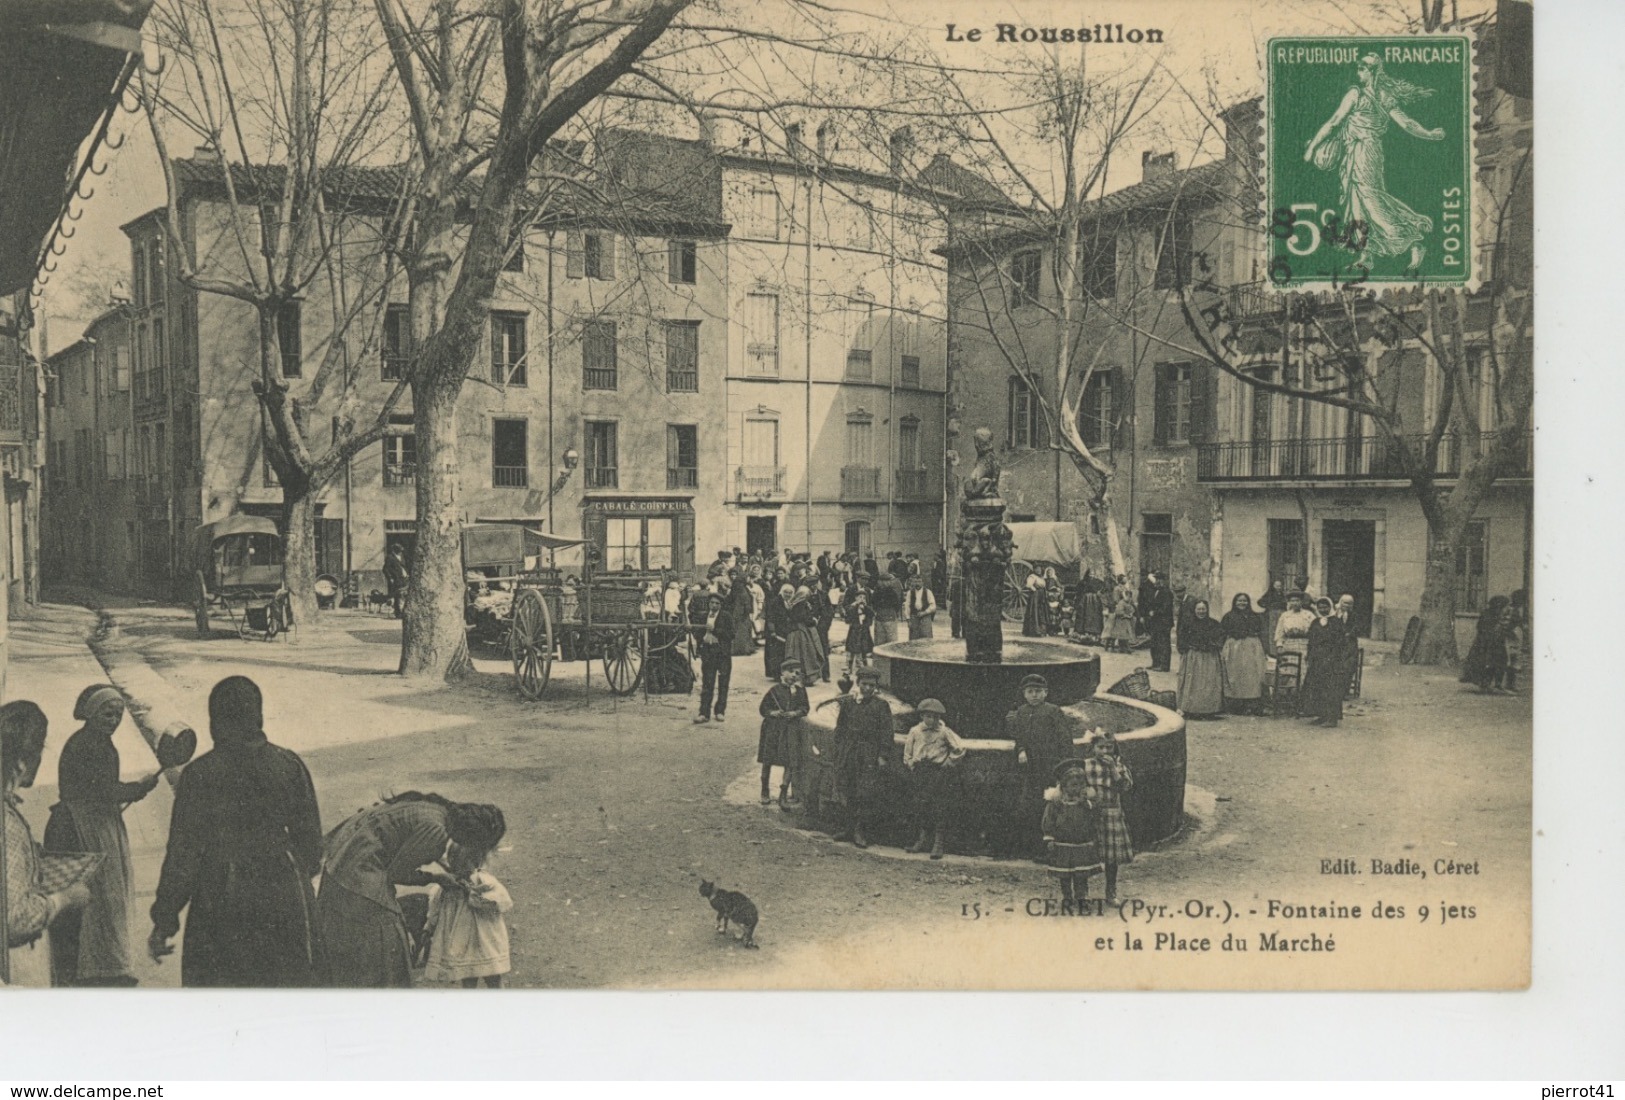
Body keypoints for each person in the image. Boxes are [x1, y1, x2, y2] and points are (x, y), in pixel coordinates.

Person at [147, 677, 321, 987]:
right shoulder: (289, 764)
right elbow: (311, 846)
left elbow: (182, 857)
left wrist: (164, 920)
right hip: (283, 892)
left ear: (215, 722)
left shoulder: (199, 775)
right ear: (259, 717)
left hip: (220, 895)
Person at [317, 792, 505, 987]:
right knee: (389, 948)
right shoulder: (436, 831)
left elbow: (404, 841)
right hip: (356, 878)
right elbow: (396, 873)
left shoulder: (435, 808)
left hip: (338, 862)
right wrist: (435, 878)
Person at [44, 684, 160, 986]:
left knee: (99, 896)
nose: (114, 719)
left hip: (88, 821)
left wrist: (132, 789)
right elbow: (104, 790)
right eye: (108, 713)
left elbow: (102, 787)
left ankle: (98, 963)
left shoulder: (93, 741)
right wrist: (139, 788)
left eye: (118, 714)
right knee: (99, 895)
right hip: (83, 826)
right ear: (93, 714)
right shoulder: (89, 744)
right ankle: (99, 966)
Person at [1304, 52, 1445, 272]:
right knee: (1357, 202)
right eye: (1358, 67)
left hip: (1365, 151)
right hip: (1356, 152)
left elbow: (1334, 122)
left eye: (1362, 68)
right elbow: (1336, 123)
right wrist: (1430, 134)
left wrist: (1313, 147)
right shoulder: (1376, 95)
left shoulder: (1362, 94)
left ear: (1372, 72)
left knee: (1372, 200)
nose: (1358, 71)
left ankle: (1414, 240)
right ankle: (1367, 254)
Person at [3, 701, 91, 987]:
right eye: (40, 749)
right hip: (15, 969)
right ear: (20, 764)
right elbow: (16, 920)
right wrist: (65, 899)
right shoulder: (8, 826)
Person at [1002, 674, 1078, 859]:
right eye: (1030, 692)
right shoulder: (1021, 712)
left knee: (1050, 806)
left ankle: (1051, 849)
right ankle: (1031, 847)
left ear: (1045, 693)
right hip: (1030, 768)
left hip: (1050, 766)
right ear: (1024, 694)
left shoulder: (1052, 711)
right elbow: (1019, 735)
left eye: (1038, 691)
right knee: (1029, 805)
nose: (1034, 695)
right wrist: (1020, 749)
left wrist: (1063, 766)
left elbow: (1064, 739)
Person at [815, 666, 893, 848]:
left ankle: (860, 830)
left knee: (863, 791)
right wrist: (839, 748)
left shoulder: (881, 706)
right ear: (857, 684)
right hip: (849, 751)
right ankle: (848, 828)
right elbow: (840, 728)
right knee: (846, 788)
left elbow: (887, 732)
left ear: (875, 687)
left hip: (868, 754)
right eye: (864, 684)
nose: (867, 688)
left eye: (871, 685)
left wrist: (883, 755)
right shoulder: (849, 703)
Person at [422, 840, 512, 988]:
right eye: (455, 862)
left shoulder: (484, 881)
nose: (460, 867)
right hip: (462, 941)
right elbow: (436, 906)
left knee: (493, 977)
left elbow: (500, 902)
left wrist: (472, 893)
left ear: (476, 861)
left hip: (485, 939)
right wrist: (429, 927)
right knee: (468, 977)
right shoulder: (448, 885)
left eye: (465, 863)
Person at [902, 698, 965, 860]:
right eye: (929, 716)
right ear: (922, 716)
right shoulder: (915, 731)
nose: (933, 720)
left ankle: (938, 843)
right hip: (921, 771)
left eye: (936, 717)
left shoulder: (944, 732)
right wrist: (910, 763)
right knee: (921, 805)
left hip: (938, 772)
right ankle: (922, 839)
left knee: (939, 806)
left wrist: (949, 762)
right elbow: (908, 751)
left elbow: (959, 747)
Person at [1041, 759, 1102, 909]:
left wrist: (1094, 837)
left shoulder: (1087, 802)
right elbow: (1049, 820)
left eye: (1081, 784)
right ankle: (1067, 896)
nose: (1077, 788)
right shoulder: (1056, 803)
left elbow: (1094, 818)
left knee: (1081, 874)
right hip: (1063, 843)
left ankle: (1081, 897)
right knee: (1065, 874)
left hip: (1081, 843)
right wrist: (1049, 838)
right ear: (1063, 785)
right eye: (1073, 785)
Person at [1081, 732, 1134, 904]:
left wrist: (1113, 770)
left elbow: (1125, 787)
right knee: (1086, 853)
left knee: (1112, 857)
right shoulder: (1086, 765)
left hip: (1111, 812)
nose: (1104, 751)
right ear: (1092, 748)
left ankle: (1111, 891)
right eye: (1100, 747)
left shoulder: (1118, 766)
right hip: (1090, 814)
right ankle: (1083, 892)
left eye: (1108, 747)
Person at [758, 660, 810, 811]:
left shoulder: (800, 691)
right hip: (773, 730)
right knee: (768, 759)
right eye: (791, 671)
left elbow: (805, 707)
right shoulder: (774, 691)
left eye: (797, 672)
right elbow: (763, 709)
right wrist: (773, 713)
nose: (795, 675)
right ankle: (764, 789)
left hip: (789, 730)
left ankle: (783, 793)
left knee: (789, 760)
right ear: (782, 673)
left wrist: (795, 713)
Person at [1299, 597, 1353, 727]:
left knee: (1331, 688)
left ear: (1330, 607)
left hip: (1332, 660)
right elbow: (1311, 640)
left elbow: (1341, 642)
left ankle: (1332, 718)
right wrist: (1309, 654)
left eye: (1325, 607)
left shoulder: (1336, 622)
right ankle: (1321, 715)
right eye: (1320, 607)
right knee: (1317, 687)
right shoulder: (1315, 622)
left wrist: (1335, 657)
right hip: (1317, 660)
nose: (1323, 609)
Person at [1220, 593, 1269, 716]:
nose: (1242, 603)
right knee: (1235, 675)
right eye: (1239, 601)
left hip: (1251, 647)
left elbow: (1262, 632)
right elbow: (1222, 633)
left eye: (1244, 601)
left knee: (1251, 675)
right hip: (1234, 647)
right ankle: (1236, 706)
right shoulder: (1228, 616)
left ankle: (1251, 705)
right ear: (1234, 602)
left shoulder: (1254, 616)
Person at [1176, 601, 1226, 720]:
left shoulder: (1213, 624)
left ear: (1207, 610)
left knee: (1209, 682)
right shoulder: (1188, 624)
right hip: (1194, 657)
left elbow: (1221, 637)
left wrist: (1213, 645)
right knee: (1193, 682)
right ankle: (1191, 708)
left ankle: (1209, 709)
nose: (1201, 612)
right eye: (1199, 609)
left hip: (1209, 657)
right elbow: (1182, 638)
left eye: (1203, 609)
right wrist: (1186, 649)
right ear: (1194, 610)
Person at [695, 591, 735, 724]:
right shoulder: (703, 616)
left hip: (722, 652)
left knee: (723, 683)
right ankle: (704, 713)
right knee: (707, 683)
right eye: (712, 602)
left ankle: (720, 711)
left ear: (721, 605)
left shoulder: (726, 617)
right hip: (708, 651)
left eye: (717, 603)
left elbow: (731, 634)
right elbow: (697, 632)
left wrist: (715, 630)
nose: (714, 605)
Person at [1460, 595, 1511, 695]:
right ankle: (1485, 684)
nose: (1507, 608)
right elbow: (1482, 629)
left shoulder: (1498, 615)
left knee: (1500, 662)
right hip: (1485, 645)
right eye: (1506, 606)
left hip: (1496, 644)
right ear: (1499, 606)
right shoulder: (1488, 615)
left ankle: (1496, 684)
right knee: (1487, 663)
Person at [783, 586, 825, 688]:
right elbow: (802, 618)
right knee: (805, 653)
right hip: (800, 632)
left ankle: (800, 677)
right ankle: (804, 678)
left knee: (799, 654)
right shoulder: (800, 605)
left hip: (797, 631)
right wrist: (813, 620)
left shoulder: (795, 604)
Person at [1142, 572, 1175, 672]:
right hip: (1156, 622)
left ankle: (1164, 666)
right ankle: (1156, 663)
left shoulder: (1166, 592)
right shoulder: (1157, 591)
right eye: (1156, 579)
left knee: (1163, 644)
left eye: (1159, 580)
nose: (1156, 582)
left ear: (1163, 581)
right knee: (1154, 643)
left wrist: (1154, 612)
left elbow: (1166, 608)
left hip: (1164, 623)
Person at [1274, 590, 1315, 662]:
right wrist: (1279, 646)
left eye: (1297, 600)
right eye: (1292, 601)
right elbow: (1280, 633)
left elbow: (1314, 631)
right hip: (1289, 644)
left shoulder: (1308, 615)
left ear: (1301, 601)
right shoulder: (1285, 615)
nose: (1295, 603)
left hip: (1304, 644)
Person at [762, 583, 791, 682]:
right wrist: (772, 631)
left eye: (790, 593)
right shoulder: (775, 602)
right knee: (775, 654)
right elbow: (770, 617)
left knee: (782, 653)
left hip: (784, 632)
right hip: (775, 632)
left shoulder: (789, 602)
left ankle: (782, 673)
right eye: (786, 592)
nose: (788, 594)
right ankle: (776, 674)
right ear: (782, 592)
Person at [843, 590, 875, 678]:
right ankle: (849, 668)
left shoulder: (867, 608)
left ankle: (864, 669)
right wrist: (855, 605)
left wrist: (865, 607)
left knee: (864, 650)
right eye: (860, 597)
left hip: (864, 632)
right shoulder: (852, 607)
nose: (862, 599)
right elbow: (847, 619)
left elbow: (872, 615)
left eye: (864, 598)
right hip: (854, 632)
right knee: (851, 651)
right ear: (855, 598)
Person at [871, 571, 903, 647]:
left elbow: (897, 604)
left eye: (888, 581)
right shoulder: (880, 591)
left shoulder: (891, 592)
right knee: (883, 640)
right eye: (886, 581)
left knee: (888, 639)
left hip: (887, 616)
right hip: (883, 617)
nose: (888, 583)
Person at [1107, 574, 1137, 654]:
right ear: (1121, 580)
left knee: (1126, 628)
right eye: (1124, 578)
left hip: (1126, 608)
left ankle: (1124, 646)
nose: (1126, 580)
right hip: (1120, 608)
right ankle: (1120, 646)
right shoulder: (1117, 588)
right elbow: (1116, 599)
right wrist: (1121, 605)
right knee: (1120, 628)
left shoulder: (1125, 588)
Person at [1258, 580, 1288, 656]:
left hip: (1282, 614)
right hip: (1272, 614)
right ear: (1273, 586)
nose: (1279, 587)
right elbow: (1260, 602)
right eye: (1277, 586)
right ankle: (1272, 652)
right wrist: (1268, 606)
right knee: (1273, 632)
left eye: (1280, 586)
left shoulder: (1282, 595)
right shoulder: (1270, 594)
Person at [905, 575, 938, 640]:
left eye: (919, 581)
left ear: (922, 582)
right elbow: (907, 607)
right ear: (913, 582)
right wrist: (908, 620)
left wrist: (925, 612)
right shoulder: (910, 593)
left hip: (925, 618)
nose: (917, 583)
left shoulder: (928, 592)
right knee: (913, 639)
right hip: (914, 617)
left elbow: (933, 606)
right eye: (915, 582)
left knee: (926, 638)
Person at [384, 543, 410, 618]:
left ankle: (403, 612)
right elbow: (385, 569)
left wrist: (407, 573)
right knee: (398, 596)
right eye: (399, 550)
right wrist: (390, 578)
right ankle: (398, 613)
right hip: (396, 579)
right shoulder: (389, 557)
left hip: (404, 578)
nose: (401, 552)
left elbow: (404, 566)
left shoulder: (401, 557)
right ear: (395, 550)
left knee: (403, 595)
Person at [1022, 568, 1048, 637]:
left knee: (1041, 611)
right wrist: (1034, 589)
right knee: (1034, 611)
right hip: (1035, 595)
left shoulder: (1041, 577)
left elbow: (1044, 586)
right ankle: (1034, 631)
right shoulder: (1032, 576)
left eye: (1040, 569)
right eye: (1037, 569)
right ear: (1034, 570)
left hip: (1042, 595)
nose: (1039, 570)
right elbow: (1028, 585)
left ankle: (1042, 630)